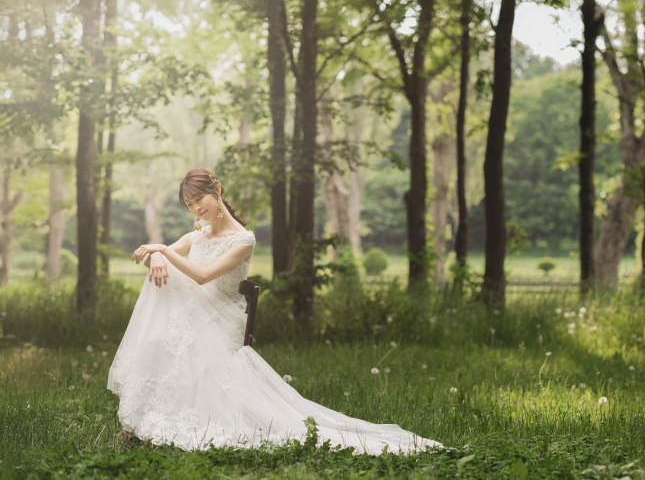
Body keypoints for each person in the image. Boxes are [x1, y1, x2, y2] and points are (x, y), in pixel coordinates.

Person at [107, 168, 440, 454]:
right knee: (162, 291)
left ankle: (141, 418)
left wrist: (162, 248)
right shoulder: (198, 233)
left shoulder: (243, 240)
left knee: (172, 307)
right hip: (193, 309)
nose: (196, 209)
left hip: (221, 315)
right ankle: (138, 417)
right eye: (189, 205)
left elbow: (203, 276)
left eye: (199, 200)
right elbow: (152, 261)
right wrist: (161, 255)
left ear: (217, 191)